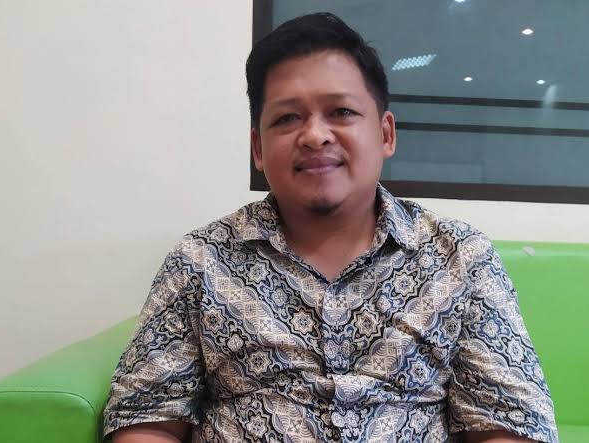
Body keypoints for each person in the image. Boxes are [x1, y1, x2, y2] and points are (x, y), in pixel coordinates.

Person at [103, 12, 558, 443]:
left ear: (385, 134)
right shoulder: (200, 260)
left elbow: (509, 422)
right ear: (258, 149)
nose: (315, 135)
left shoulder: (460, 257)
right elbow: (146, 417)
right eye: (287, 118)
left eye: (340, 112)